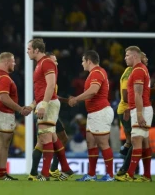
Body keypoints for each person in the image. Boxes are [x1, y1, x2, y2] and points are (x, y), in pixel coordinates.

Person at [26, 38, 73, 182]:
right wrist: (33, 106)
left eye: (29, 49)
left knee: (45, 137)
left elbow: (51, 85)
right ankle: (66, 168)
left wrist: (44, 105)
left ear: (36, 50)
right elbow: (41, 90)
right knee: (52, 137)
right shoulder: (40, 64)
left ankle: (45, 173)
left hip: (49, 103)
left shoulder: (46, 63)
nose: (27, 51)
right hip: (46, 102)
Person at [0, 52, 32, 180]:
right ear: (6, 62)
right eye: (13, 61)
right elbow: (4, 98)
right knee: (4, 145)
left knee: (0, 143)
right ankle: (2, 174)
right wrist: (20, 109)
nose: (15, 64)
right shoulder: (4, 78)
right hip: (3, 113)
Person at [69, 50, 115, 182]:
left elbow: (93, 91)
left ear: (89, 61)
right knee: (91, 142)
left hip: (100, 111)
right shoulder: (97, 72)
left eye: (83, 61)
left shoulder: (96, 72)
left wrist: (76, 99)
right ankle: (91, 175)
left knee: (103, 143)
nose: (82, 63)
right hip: (94, 113)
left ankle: (110, 175)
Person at [115, 46, 153, 182]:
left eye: (127, 55)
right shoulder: (142, 69)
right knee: (144, 143)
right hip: (142, 108)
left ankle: (129, 174)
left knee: (136, 141)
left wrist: (138, 113)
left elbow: (138, 93)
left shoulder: (137, 70)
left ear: (135, 56)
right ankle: (147, 176)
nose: (125, 58)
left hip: (141, 109)